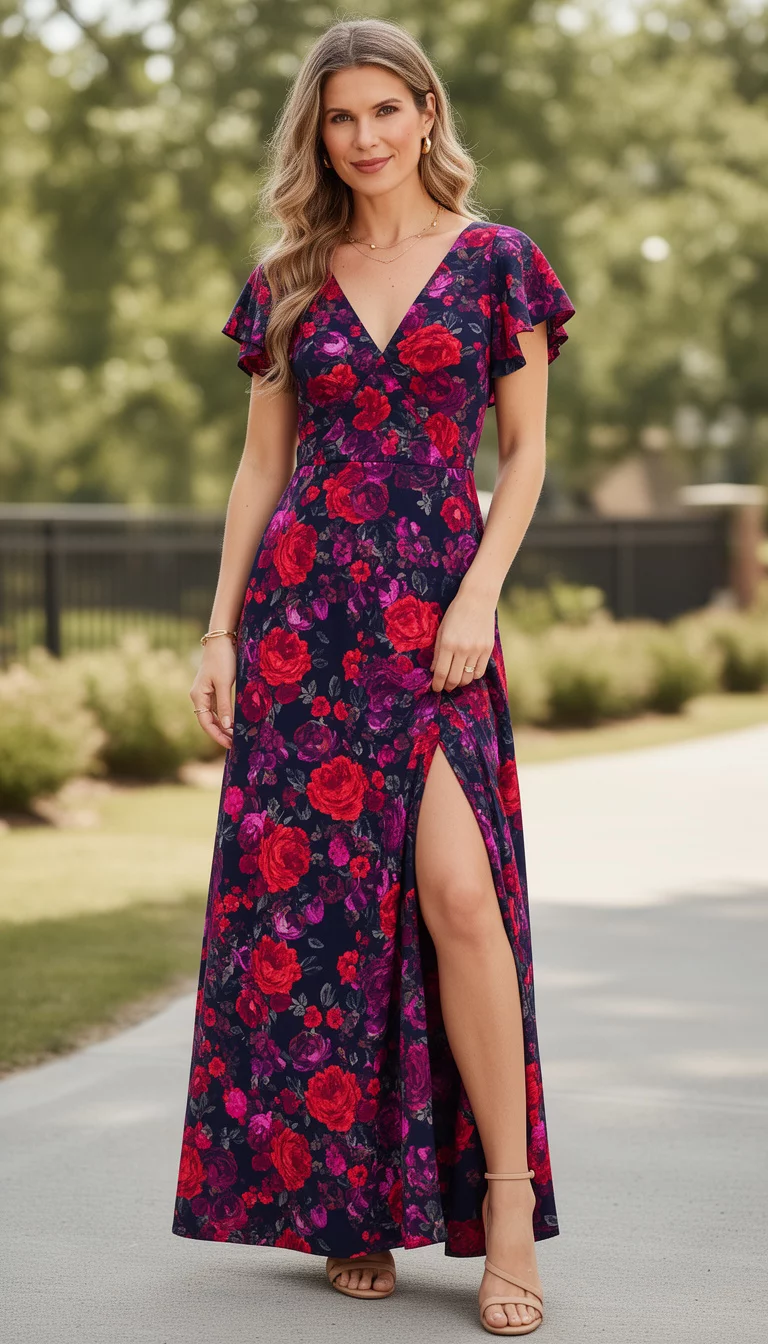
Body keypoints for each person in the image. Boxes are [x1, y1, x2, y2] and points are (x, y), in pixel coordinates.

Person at [171, 16, 575, 1337]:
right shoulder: (290, 274)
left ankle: (505, 1204)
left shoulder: (500, 261)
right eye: (341, 118)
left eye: (385, 111)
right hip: (303, 621)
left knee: (461, 898)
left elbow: (520, 458)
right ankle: (346, 1208)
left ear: (425, 110)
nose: (366, 137)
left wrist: (478, 596)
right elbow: (258, 468)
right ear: (320, 132)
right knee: (326, 924)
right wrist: (222, 628)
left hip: (437, 608)